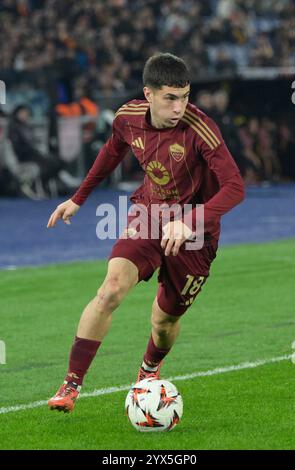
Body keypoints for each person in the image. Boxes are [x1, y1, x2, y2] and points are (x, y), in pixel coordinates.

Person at [47, 53, 245, 413]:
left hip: (196, 234)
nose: (179, 106)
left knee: (165, 320)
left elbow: (235, 187)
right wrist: (78, 198)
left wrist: (191, 221)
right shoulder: (128, 118)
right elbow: (112, 151)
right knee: (110, 290)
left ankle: (149, 369)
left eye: (185, 97)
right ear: (148, 94)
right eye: (171, 97)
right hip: (149, 213)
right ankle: (71, 384)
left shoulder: (200, 129)